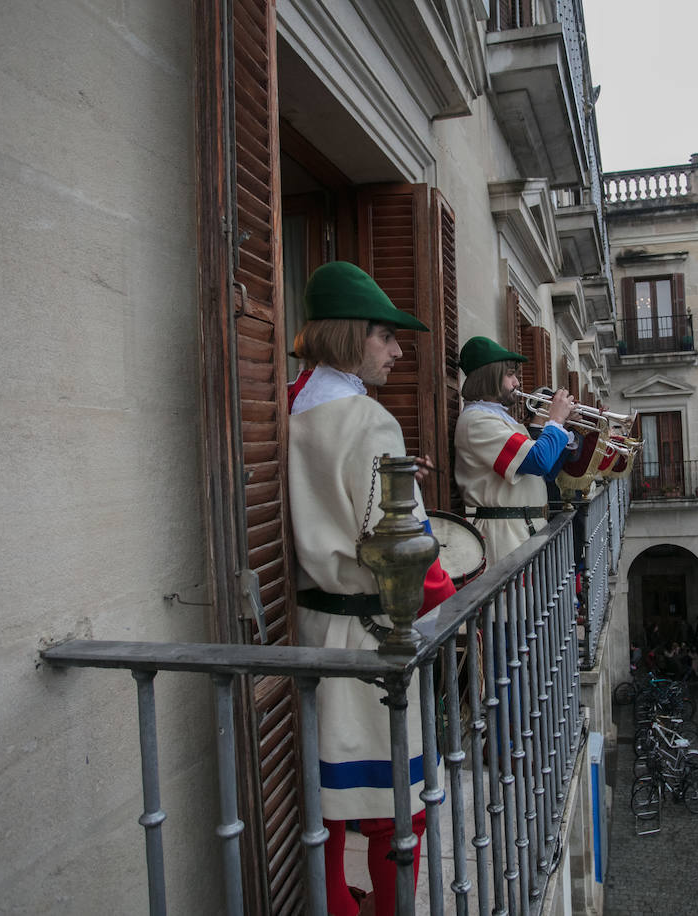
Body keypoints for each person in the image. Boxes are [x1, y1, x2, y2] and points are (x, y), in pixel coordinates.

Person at [287, 261, 457, 916]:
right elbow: (404, 557)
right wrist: (447, 597)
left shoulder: (290, 402)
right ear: (350, 334)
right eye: (385, 336)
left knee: (322, 803)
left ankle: (334, 903)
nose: (397, 350)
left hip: (309, 624)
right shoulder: (370, 419)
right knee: (397, 811)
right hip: (370, 634)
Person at [454, 336, 573, 565]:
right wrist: (556, 421)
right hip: (506, 535)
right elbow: (539, 461)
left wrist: (567, 428)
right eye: (510, 375)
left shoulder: (498, 418)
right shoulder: (477, 421)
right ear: (490, 376)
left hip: (523, 528)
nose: (517, 383)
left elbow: (547, 473)